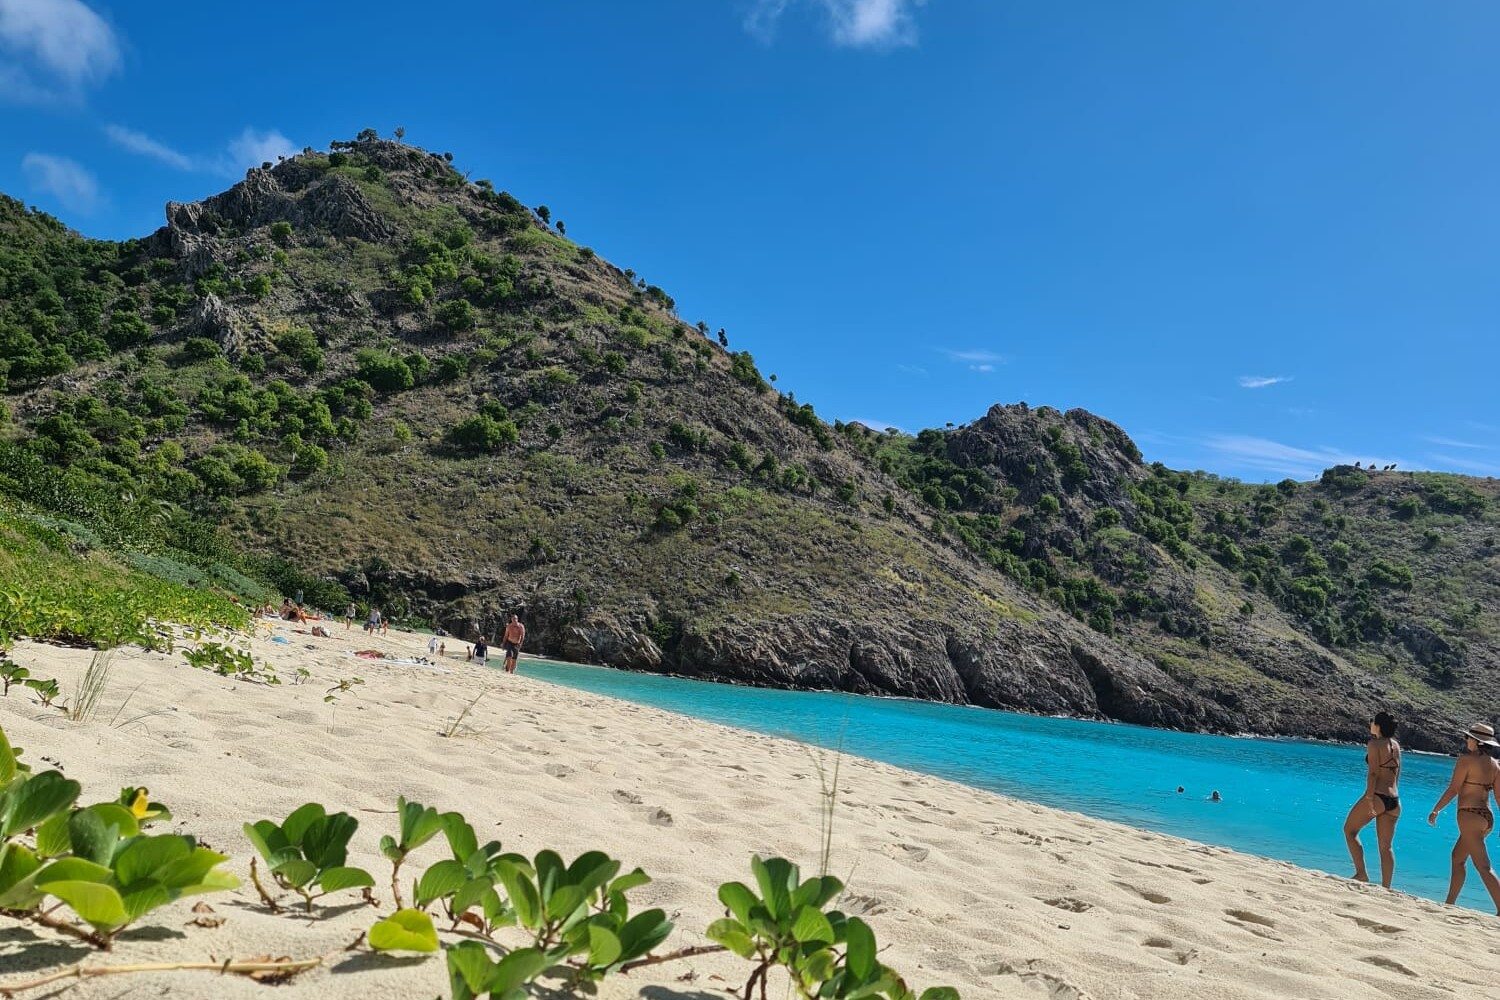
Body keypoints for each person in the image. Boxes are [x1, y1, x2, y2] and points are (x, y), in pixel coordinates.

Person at [1428, 722, 1500, 914]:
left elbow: (1454, 789)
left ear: (1477, 742)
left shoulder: (1466, 760)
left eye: (1468, 737)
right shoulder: (1495, 765)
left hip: (1469, 815)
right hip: (1486, 818)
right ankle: (1449, 903)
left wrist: (1436, 810)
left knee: (1483, 866)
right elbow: (1499, 798)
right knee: (1457, 858)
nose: (1466, 740)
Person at [1344, 711, 1401, 887]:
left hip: (1377, 796)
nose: (1370, 723)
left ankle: (1361, 873)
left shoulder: (1374, 744)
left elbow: (1373, 773)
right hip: (1395, 800)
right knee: (1386, 847)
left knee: (1349, 830)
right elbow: (1396, 774)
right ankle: (1386, 886)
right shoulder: (1396, 745)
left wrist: (1369, 798)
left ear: (1378, 726)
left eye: (1372, 721)